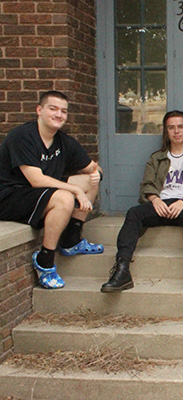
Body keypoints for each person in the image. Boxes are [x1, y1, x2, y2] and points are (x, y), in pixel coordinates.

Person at [101, 110, 183, 293]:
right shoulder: (156, 157)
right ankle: (122, 269)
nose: (176, 131)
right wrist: (155, 200)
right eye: (171, 127)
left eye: (181, 127)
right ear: (166, 131)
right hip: (160, 205)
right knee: (134, 213)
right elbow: (146, 184)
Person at [0, 90, 104, 289]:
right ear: (39, 110)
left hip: (38, 193)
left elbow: (94, 168)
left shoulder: (63, 141)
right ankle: (45, 261)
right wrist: (75, 190)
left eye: (63, 111)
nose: (59, 115)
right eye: (53, 109)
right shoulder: (22, 136)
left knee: (89, 181)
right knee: (64, 198)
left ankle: (71, 240)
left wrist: (95, 173)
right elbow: (36, 180)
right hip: (10, 194)